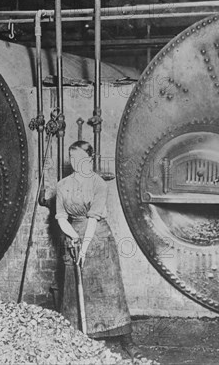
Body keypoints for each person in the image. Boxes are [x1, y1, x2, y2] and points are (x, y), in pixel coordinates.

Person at [55, 140, 143, 359]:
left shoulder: (98, 184)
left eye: (81, 159)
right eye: (73, 159)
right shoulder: (63, 185)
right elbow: (61, 218)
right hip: (73, 236)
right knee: (76, 290)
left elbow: (93, 220)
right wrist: (74, 237)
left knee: (110, 288)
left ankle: (126, 339)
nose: (76, 163)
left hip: (98, 238)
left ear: (90, 160)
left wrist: (84, 247)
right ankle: (81, 338)